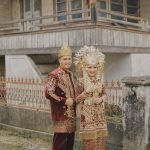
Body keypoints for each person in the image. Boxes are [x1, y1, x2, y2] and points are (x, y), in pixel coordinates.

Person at [74, 45, 108, 150]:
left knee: (100, 139)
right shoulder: (80, 81)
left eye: (94, 67)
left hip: (99, 114)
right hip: (87, 114)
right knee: (90, 141)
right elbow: (75, 99)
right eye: (89, 67)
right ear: (84, 67)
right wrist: (84, 94)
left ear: (98, 67)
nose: (92, 70)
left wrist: (101, 99)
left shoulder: (100, 81)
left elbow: (105, 94)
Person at [45, 45, 76, 150]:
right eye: (65, 59)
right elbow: (49, 93)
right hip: (60, 114)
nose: (67, 61)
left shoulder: (70, 74)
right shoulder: (54, 75)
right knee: (60, 144)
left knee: (69, 143)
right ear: (59, 60)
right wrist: (64, 101)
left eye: (69, 59)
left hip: (71, 114)